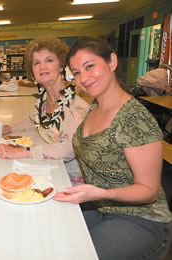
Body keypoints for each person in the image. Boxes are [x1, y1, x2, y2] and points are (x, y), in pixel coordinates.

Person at [53, 37, 172, 259]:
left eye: (90, 66)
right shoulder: (93, 109)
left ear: (112, 62)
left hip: (142, 219)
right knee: (53, 236)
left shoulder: (134, 118)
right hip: (101, 208)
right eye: (77, 72)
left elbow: (149, 190)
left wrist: (102, 193)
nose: (84, 78)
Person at [0, 37, 92, 185]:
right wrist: (8, 128)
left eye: (49, 60)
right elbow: (34, 119)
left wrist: (22, 152)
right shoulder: (45, 98)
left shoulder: (79, 97)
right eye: (36, 62)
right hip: (52, 169)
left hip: (75, 181)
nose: (42, 67)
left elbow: (69, 149)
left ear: (61, 65)